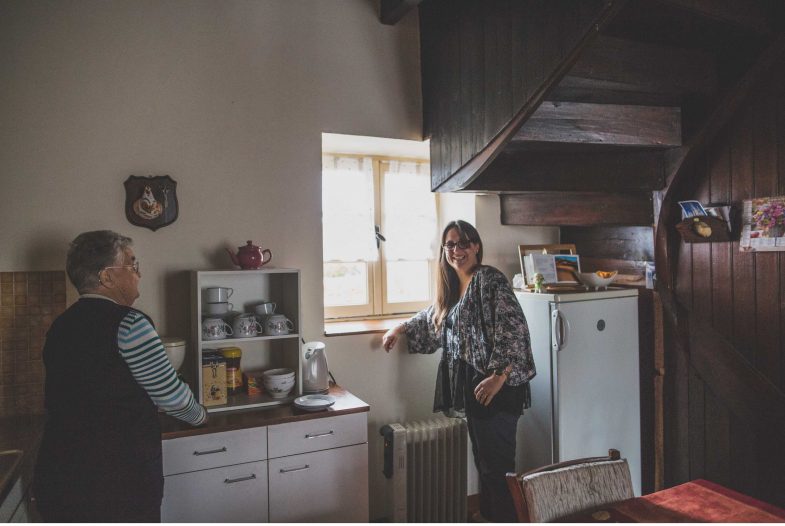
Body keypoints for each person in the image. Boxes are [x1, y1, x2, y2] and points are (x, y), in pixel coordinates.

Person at [33, 230, 207, 522]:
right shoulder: (130, 324)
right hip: (116, 480)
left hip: (59, 474)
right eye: (132, 265)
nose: (138, 274)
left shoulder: (61, 325)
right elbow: (172, 397)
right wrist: (201, 415)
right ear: (107, 277)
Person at [382, 220, 536, 523]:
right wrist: (398, 327)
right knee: (484, 464)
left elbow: (514, 328)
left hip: (497, 386)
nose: (457, 250)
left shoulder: (489, 280)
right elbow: (431, 319)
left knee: (499, 469)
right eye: (450, 244)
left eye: (463, 243)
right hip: (474, 386)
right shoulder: (453, 287)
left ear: (476, 246)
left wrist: (498, 376)